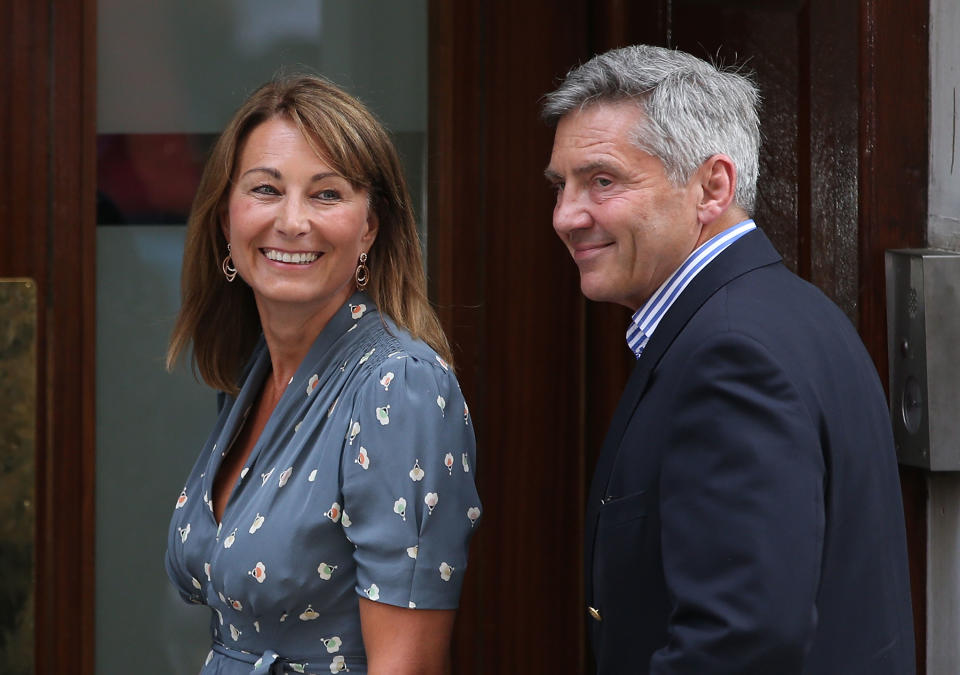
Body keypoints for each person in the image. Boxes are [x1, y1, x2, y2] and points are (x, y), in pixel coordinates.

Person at [542, 45, 915, 674]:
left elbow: (739, 641)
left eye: (602, 181)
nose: (566, 216)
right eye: (561, 185)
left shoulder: (731, 352)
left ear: (713, 186)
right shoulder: (783, 311)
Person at [165, 75, 481, 675]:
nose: (292, 221)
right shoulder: (251, 373)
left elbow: (405, 666)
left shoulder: (400, 387)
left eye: (326, 195)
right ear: (225, 220)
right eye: (265, 189)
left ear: (369, 228)